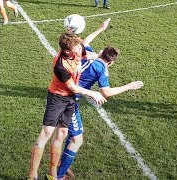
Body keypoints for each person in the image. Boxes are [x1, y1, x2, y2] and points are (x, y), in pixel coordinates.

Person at [27, 31, 107, 180]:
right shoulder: (60, 65)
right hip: (57, 98)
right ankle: (32, 175)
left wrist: (98, 55)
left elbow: (87, 55)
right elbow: (73, 88)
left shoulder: (77, 49)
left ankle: (53, 174)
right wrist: (93, 93)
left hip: (70, 100)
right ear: (67, 51)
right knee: (46, 133)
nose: (80, 47)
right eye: (76, 46)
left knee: (62, 134)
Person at [56, 44, 144, 179]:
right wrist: (129, 86)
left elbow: (86, 42)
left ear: (102, 52)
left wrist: (100, 29)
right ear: (111, 62)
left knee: (75, 133)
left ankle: (64, 164)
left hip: (65, 96)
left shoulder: (90, 54)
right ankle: (59, 175)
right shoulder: (101, 68)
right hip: (67, 101)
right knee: (77, 139)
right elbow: (106, 92)